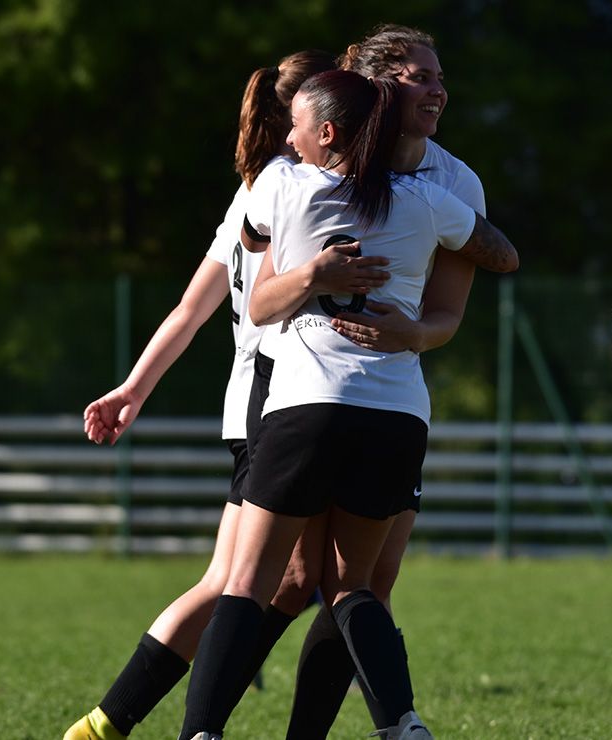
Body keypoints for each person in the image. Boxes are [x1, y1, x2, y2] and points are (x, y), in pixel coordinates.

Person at [177, 69, 517, 740]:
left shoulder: (284, 183)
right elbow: (502, 253)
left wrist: (311, 270)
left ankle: (200, 733)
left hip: (307, 405)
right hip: (395, 413)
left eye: (298, 124)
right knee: (353, 587)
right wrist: (455, 252)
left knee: (248, 582)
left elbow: (254, 278)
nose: (289, 136)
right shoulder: (425, 200)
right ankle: (402, 724)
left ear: (326, 132)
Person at [62, 49, 338, 740]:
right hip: (280, 394)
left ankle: (122, 721)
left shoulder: (258, 183)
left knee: (284, 579)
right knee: (246, 582)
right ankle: (118, 721)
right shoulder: (294, 185)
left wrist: (133, 387)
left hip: (260, 397)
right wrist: (132, 389)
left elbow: (192, 308)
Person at [280, 24, 497, 739]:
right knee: (290, 580)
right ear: (377, 87)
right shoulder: (310, 166)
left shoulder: (455, 183)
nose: (437, 89)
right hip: (303, 388)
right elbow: (254, 278)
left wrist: (413, 335)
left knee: (370, 581)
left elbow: (445, 318)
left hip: (393, 399)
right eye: (419, 77)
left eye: (439, 77)